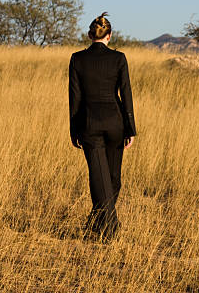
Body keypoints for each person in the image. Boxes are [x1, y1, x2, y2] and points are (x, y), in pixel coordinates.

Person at [68, 12, 136, 242]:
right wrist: (130, 128)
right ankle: (106, 226)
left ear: (90, 35)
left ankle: (104, 226)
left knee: (101, 178)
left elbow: (74, 99)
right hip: (116, 123)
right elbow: (126, 95)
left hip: (89, 124)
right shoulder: (119, 59)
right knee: (113, 178)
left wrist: (74, 129)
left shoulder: (77, 59)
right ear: (110, 35)